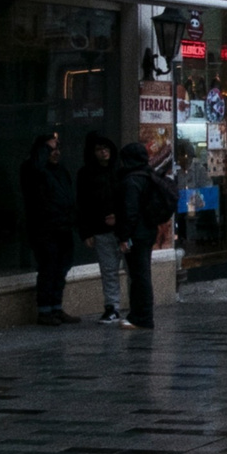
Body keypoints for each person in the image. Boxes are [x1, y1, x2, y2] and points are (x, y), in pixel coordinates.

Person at [19, 130, 78, 325]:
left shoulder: (60, 170)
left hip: (63, 227)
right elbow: (35, 169)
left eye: (57, 148)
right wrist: (44, 149)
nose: (56, 152)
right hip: (44, 229)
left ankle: (56, 307)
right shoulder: (33, 169)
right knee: (48, 268)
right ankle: (45, 310)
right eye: (51, 149)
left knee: (61, 268)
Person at [114, 141, 174, 330]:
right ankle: (139, 315)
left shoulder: (132, 180)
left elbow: (130, 211)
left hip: (137, 234)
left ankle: (142, 317)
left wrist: (124, 236)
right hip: (147, 231)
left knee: (139, 276)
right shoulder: (148, 176)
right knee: (140, 274)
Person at [76, 132, 124, 323]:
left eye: (106, 148)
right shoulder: (86, 174)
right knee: (108, 270)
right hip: (101, 229)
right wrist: (86, 231)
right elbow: (82, 204)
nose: (104, 152)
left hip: (123, 229)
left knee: (132, 270)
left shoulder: (120, 171)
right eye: (99, 149)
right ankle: (112, 307)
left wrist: (120, 216)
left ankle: (137, 306)